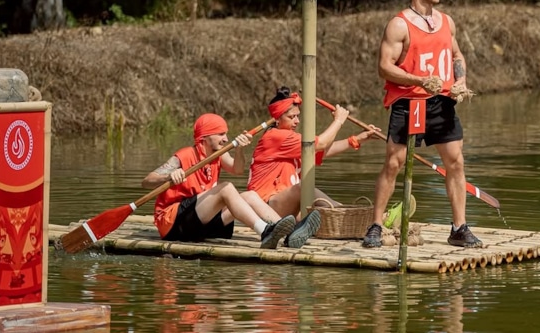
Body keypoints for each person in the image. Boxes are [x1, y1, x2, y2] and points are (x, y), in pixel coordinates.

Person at [362, 0, 482, 249]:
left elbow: (457, 54)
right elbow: (384, 67)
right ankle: (376, 226)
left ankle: (458, 227)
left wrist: (461, 81)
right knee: (394, 163)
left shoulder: (447, 21)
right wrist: (418, 79)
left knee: (456, 162)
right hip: (410, 102)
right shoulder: (399, 24)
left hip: (442, 102)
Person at [141, 113, 315, 250]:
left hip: (200, 223)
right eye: (221, 134)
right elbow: (147, 181)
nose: (225, 138)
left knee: (250, 195)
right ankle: (264, 231)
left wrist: (239, 149)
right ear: (205, 137)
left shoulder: (219, 154)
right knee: (226, 188)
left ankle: (289, 235)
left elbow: (237, 169)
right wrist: (169, 176)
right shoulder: (185, 155)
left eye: (226, 134)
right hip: (174, 224)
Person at [248, 87, 382, 224]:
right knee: (304, 188)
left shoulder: (288, 138)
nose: (297, 121)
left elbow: (323, 150)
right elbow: (321, 143)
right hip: (267, 207)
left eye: (297, 116)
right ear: (276, 120)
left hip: (285, 205)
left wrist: (359, 139)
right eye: (291, 117)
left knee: (323, 212)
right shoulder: (276, 137)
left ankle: (360, 217)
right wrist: (338, 121)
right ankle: (351, 216)